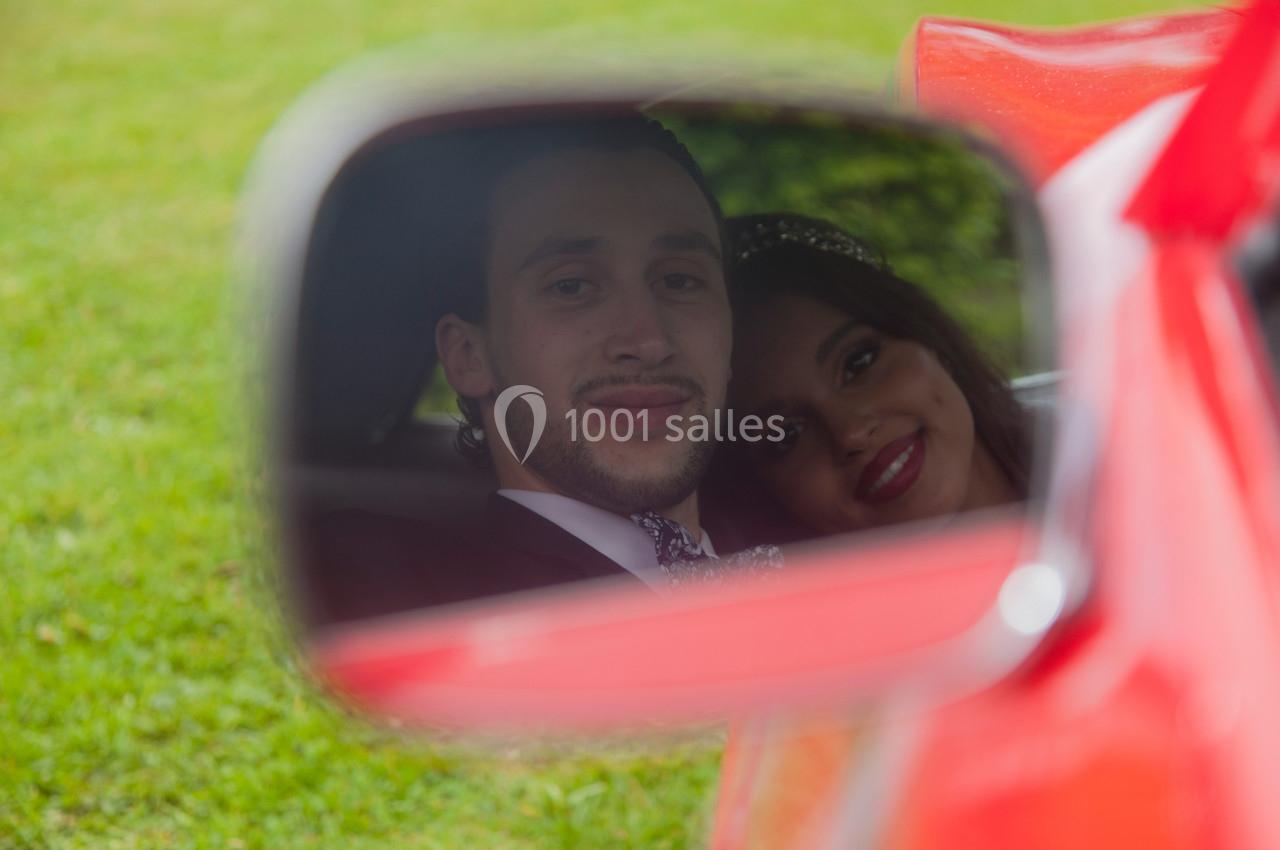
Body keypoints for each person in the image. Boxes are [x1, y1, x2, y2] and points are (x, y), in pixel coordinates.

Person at [425, 113, 767, 601]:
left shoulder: (826, 547)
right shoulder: (426, 604)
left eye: (679, 280)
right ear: (468, 356)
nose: (649, 342)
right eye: (572, 286)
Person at [716, 212, 1030, 540]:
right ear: (771, 497)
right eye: (786, 435)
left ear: (928, 340)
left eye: (857, 363)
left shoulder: (1083, 442)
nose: (849, 432)